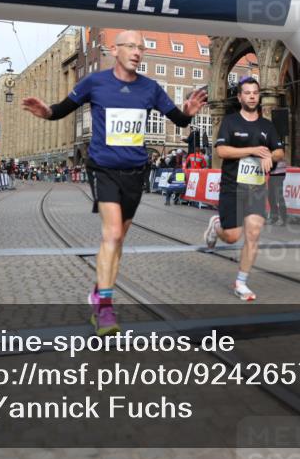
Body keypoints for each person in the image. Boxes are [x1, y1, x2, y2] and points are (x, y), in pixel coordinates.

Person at [21, 29, 207, 335]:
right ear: (115, 49)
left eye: (142, 48)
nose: (137, 52)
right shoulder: (95, 82)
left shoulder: (150, 88)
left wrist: (188, 113)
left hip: (136, 172)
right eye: (131, 46)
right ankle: (105, 309)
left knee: (118, 238)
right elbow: (61, 109)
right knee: (110, 234)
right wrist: (46, 113)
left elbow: (178, 119)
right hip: (104, 169)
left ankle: (98, 291)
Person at [203, 77, 284, 301]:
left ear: (258, 96)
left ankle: (241, 282)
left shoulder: (267, 126)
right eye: (246, 92)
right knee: (231, 237)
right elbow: (221, 151)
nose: (251, 96)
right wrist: (253, 150)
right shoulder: (230, 122)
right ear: (239, 97)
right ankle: (216, 226)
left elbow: (279, 152)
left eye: (254, 92)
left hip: (256, 188)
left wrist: (269, 154)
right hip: (232, 186)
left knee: (254, 233)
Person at [267, 157, 289, 225]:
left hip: (279, 173)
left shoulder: (278, 149)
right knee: (271, 196)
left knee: (279, 196)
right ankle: (274, 217)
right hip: (272, 173)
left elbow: (278, 156)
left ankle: (283, 218)